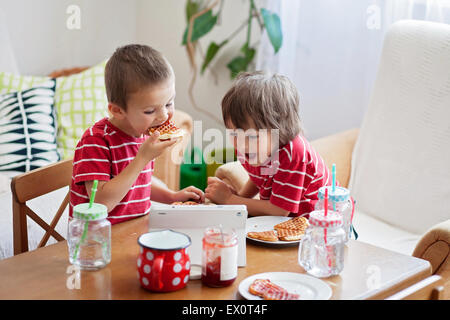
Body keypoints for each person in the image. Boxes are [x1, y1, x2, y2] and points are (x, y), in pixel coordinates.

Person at [69, 44, 204, 224]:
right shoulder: (96, 141)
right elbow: (100, 204)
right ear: (117, 110)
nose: (164, 115)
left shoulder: (143, 132)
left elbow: (140, 182)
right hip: (99, 239)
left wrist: (171, 196)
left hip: (136, 229)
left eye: (169, 103)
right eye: (150, 111)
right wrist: (141, 158)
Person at [205, 71, 333, 217]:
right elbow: (260, 176)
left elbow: (279, 211)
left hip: (320, 225)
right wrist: (241, 197)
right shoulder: (248, 148)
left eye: (252, 137)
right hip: (282, 223)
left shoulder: (293, 153)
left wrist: (230, 200)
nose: (241, 144)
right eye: (234, 133)